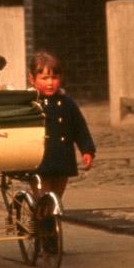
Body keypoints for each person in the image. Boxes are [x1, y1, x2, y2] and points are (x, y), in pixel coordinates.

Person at [28, 51, 95, 199]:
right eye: (45, 78)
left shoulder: (66, 102)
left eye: (54, 78)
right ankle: (39, 219)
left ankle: (52, 220)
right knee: (43, 199)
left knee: (56, 199)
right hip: (38, 160)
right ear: (32, 79)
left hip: (61, 158)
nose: (50, 83)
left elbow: (79, 127)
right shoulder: (30, 103)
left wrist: (87, 150)